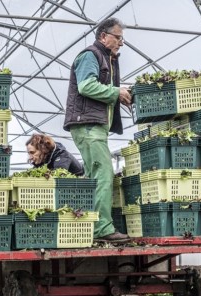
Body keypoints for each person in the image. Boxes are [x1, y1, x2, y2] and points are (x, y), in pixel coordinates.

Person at [63, 17, 131, 244]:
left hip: (95, 127)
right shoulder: (90, 55)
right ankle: (102, 228)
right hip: (88, 126)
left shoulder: (107, 60)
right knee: (103, 173)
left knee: (95, 175)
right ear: (104, 36)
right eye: (118, 37)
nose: (121, 43)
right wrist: (115, 92)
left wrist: (119, 96)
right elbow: (86, 86)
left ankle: (92, 226)